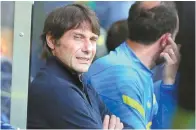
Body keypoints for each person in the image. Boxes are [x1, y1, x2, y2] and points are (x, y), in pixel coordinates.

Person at [83, 1, 181, 129]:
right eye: (175, 37)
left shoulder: (136, 70)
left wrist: (169, 81)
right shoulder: (120, 77)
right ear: (165, 40)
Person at [27, 4, 124, 129]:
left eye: (93, 39)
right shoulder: (57, 88)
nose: (88, 48)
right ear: (51, 40)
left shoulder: (79, 81)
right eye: (78, 37)